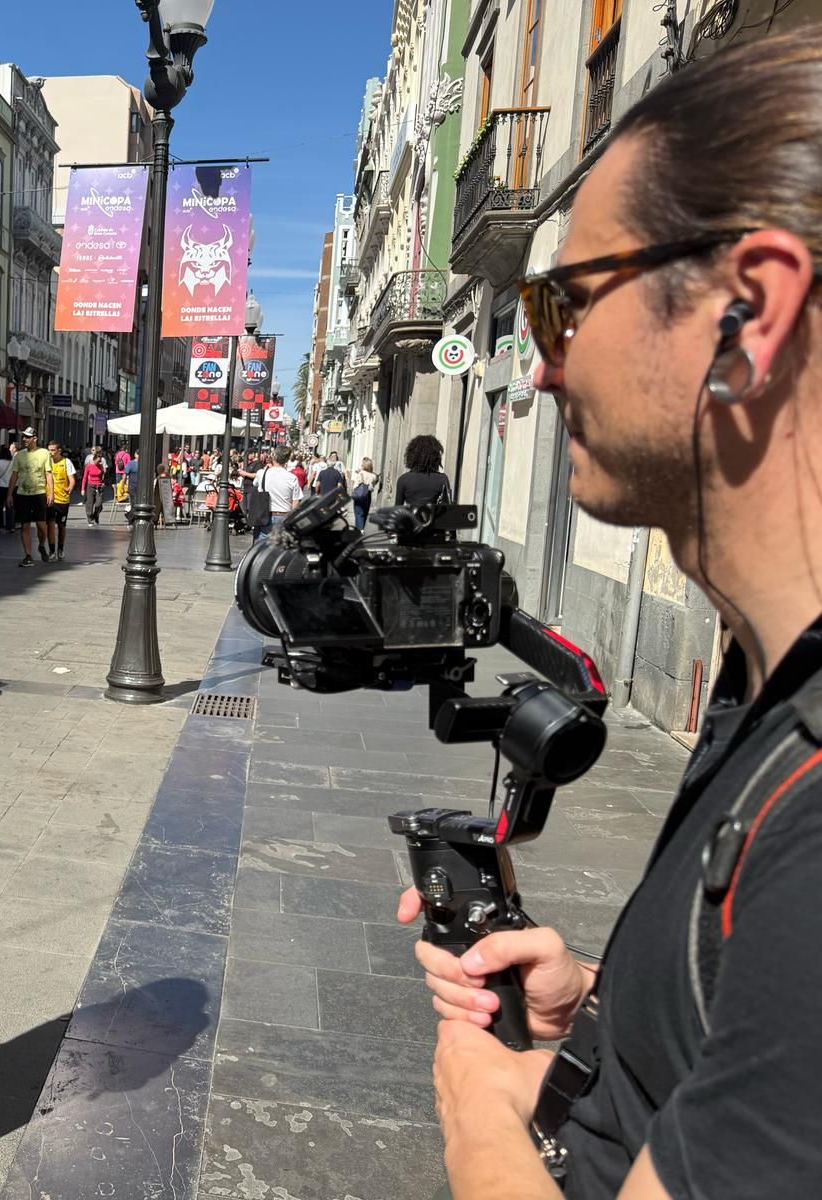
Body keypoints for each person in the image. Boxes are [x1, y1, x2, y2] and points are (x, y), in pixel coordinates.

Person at [401, 29, 822, 1200]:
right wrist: (608, 1012)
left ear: (747, 313)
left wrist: (479, 1113)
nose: (541, 368)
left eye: (566, 305)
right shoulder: (767, 689)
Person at [8, 427, 52, 566]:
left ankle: (41, 545)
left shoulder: (44, 453)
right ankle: (28, 555)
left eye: (27, 437)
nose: (24, 439)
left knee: (41, 526)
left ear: (35, 438)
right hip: (22, 494)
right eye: (23, 437)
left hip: (39, 493)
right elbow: (14, 475)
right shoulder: (19, 455)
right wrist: (9, 494)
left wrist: (50, 492)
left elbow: (48, 474)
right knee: (25, 526)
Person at [393, 434, 452, 509]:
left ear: (412, 455)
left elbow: (397, 509)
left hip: (411, 519)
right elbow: (448, 508)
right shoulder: (442, 479)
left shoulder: (403, 479)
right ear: (435, 456)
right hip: (434, 519)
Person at [255, 448, 303, 540]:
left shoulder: (262, 473)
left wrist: (266, 468)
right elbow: (296, 502)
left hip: (265, 514)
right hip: (284, 515)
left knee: (263, 543)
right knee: (281, 545)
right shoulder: (291, 478)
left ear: (274, 457)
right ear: (287, 460)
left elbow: (255, 484)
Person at [45, 440, 76, 560]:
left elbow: (72, 478)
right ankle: (52, 550)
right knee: (50, 525)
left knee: (62, 526)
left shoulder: (66, 462)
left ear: (59, 451)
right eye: (49, 450)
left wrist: (70, 487)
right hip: (50, 499)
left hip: (63, 500)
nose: (50, 452)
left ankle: (61, 548)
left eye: (53, 450)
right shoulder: (47, 462)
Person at [348, 456, 380, 530]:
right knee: (365, 513)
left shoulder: (360, 474)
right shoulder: (373, 476)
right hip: (368, 495)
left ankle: (359, 530)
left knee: (358, 514)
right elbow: (374, 483)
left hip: (359, 495)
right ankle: (362, 528)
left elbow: (355, 486)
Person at [80, 447, 107, 525]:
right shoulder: (89, 466)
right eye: (98, 461)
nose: (99, 462)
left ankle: (96, 515)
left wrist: (103, 471)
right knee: (89, 503)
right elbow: (84, 478)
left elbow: (104, 476)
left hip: (99, 487)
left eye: (100, 461)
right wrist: (82, 489)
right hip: (90, 486)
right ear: (94, 460)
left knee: (99, 504)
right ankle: (90, 518)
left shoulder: (101, 466)